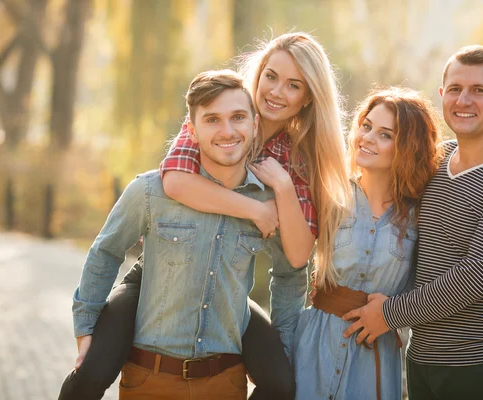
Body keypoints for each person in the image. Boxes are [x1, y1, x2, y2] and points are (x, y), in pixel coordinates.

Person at [59, 32, 350, 400]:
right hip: (160, 273)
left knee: (281, 384)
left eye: (294, 85)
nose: (277, 92)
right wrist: (255, 209)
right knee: (90, 373)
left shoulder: (299, 161)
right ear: (258, 75)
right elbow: (176, 184)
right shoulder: (218, 106)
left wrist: (285, 187)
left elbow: (294, 259)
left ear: (309, 97)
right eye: (271, 77)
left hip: (226, 284)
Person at [342, 45, 483, 400]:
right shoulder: (437, 160)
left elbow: (475, 275)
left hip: (482, 365)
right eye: (455, 89)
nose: (463, 100)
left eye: (479, 91)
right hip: (421, 360)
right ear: (442, 94)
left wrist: (389, 314)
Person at [270, 87, 442, 400]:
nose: (367, 138)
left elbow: (438, 282)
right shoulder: (328, 194)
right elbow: (288, 270)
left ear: (408, 147)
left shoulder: (422, 215)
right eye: (366, 126)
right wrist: (284, 344)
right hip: (313, 350)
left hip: (375, 358)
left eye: (385, 134)